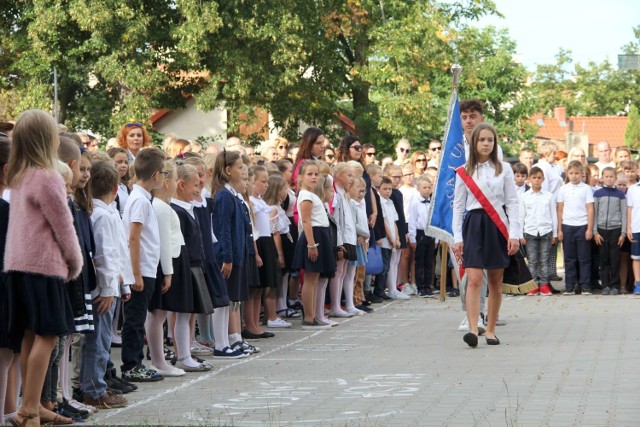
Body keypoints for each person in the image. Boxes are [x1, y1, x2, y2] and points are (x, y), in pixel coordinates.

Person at [5, 110, 83, 426]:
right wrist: (75, 262)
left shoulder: (18, 175)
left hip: (17, 267)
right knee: (49, 335)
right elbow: (63, 225)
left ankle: (33, 403)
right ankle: (29, 411)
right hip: (43, 267)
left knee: (29, 336)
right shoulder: (47, 176)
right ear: (47, 139)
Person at [452, 123, 520, 347]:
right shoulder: (465, 171)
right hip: (473, 225)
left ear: (494, 143)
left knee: (495, 282)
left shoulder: (504, 169)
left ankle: (491, 329)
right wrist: (457, 238)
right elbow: (458, 206)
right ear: (474, 143)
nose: (486, 143)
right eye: (482, 140)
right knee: (473, 279)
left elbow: (512, 203)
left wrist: (514, 233)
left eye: (490, 140)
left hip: (496, 226)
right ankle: (473, 328)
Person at [82, 160, 133, 409]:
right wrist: (108, 289)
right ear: (115, 188)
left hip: (112, 285)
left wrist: (122, 285)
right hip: (103, 290)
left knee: (101, 341)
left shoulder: (108, 212)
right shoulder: (101, 215)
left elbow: (119, 255)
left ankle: (98, 382)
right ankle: (93, 389)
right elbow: (103, 256)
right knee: (98, 342)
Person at [120, 146, 166, 382]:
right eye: (164, 173)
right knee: (135, 320)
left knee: (138, 318)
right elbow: (133, 237)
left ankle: (136, 362)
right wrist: (136, 274)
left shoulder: (142, 198)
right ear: (156, 175)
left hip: (146, 268)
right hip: (140, 271)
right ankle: (131, 364)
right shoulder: (139, 200)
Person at [211, 150, 252, 358]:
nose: (243, 171)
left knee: (230, 300)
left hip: (236, 256)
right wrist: (227, 258)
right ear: (228, 170)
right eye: (239, 167)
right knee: (223, 301)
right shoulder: (224, 196)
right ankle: (221, 343)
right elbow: (223, 230)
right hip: (227, 257)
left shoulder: (232, 195)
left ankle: (228, 341)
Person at [292, 161, 336, 329]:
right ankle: (309, 317)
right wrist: (311, 245)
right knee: (310, 280)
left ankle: (313, 316)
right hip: (314, 236)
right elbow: (306, 221)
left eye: (316, 174)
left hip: (320, 235)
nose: (313, 177)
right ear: (301, 177)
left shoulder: (312, 194)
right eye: (309, 174)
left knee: (315, 278)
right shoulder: (305, 196)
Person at [557, 160, 595, 295]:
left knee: (584, 258)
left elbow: (590, 209)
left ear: (582, 174)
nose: (574, 176)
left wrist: (589, 228)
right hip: (567, 226)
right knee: (569, 258)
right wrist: (559, 229)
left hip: (582, 225)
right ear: (567, 173)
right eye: (571, 173)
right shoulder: (563, 189)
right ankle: (569, 285)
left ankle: (585, 285)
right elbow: (560, 210)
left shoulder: (586, 189)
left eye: (577, 173)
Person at [520, 167, 557, 296]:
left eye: (539, 178)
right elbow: (521, 217)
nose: (536, 180)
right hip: (530, 232)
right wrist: (520, 234)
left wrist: (555, 234)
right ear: (529, 179)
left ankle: (544, 285)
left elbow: (553, 216)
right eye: (534, 177)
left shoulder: (549, 196)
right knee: (532, 260)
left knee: (544, 259)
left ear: (543, 179)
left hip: (546, 231)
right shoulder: (524, 197)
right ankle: (534, 285)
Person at [329, 162, 360, 317]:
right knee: (338, 271)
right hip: (341, 238)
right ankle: (335, 305)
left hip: (349, 237)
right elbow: (336, 220)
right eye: (349, 175)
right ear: (339, 176)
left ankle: (342, 304)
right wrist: (339, 242)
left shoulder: (344, 194)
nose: (351, 179)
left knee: (343, 272)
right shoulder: (336, 194)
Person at [593, 167, 627, 295]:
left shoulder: (620, 195)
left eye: (611, 177)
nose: (609, 179)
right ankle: (605, 285)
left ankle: (615, 285)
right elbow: (594, 213)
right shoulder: (597, 194)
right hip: (601, 230)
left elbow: (624, 214)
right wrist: (595, 232)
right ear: (602, 178)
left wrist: (623, 233)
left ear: (615, 179)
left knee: (615, 259)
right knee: (603, 259)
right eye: (606, 176)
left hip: (616, 230)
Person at [377, 177, 407, 300]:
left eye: (389, 189)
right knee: (384, 266)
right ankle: (380, 290)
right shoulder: (380, 203)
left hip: (393, 240)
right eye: (385, 189)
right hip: (385, 240)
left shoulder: (390, 202)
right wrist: (391, 238)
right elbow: (384, 222)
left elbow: (394, 222)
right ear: (378, 189)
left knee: (389, 265)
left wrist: (398, 238)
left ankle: (389, 289)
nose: (388, 191)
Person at [408, 175, 436, 297]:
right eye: (424, 187)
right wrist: (412, 238)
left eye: (429, 187)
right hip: (420, 234)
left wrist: (437, 238)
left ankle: (428, 285)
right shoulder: (414, 203)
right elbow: (412, 221)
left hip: (431, 233)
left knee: (429, 261)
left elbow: (436, 220)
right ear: (418, 188)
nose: (427, 190)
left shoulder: (433, 202)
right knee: (419, 261)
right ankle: (420, 287)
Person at [107, 147, 131, 217]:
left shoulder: (126, 187)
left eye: (126, 162)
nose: (124, 165)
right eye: (119, 162)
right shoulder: (107, 187)